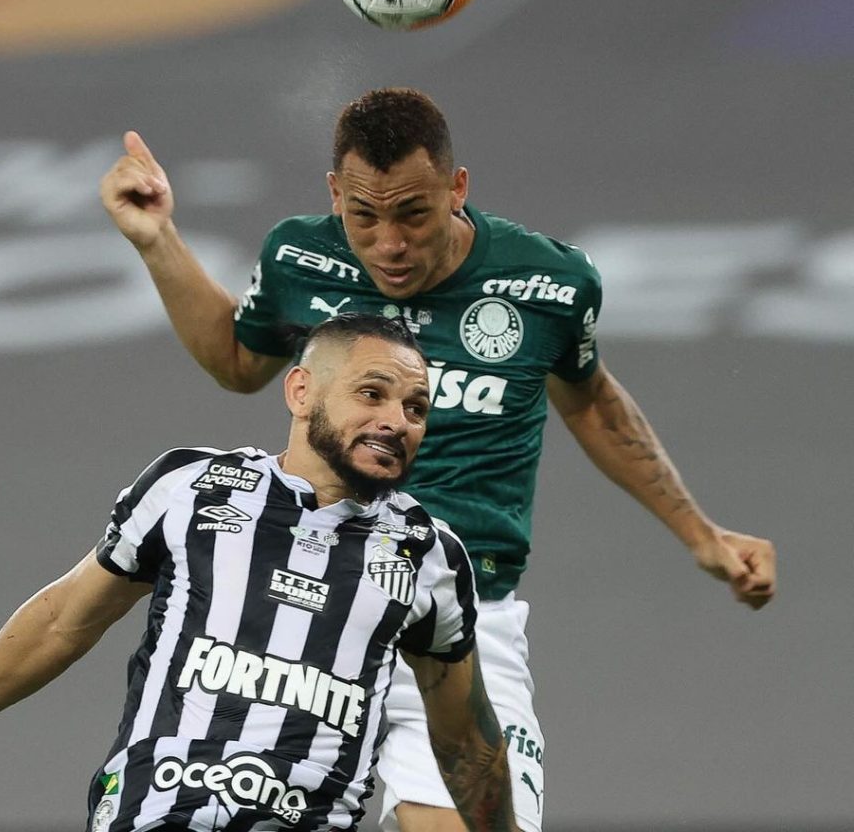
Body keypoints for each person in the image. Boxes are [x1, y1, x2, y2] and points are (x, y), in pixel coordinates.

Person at [99, 87, 777, 832]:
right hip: (310, 612)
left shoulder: (548, 285)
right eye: (364, 216)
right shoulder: (299, 257)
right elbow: (236, 360)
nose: (389, 243)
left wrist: (700, 534)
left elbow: (593, 405)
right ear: (335, 196)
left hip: (464, 622)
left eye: (413, 214)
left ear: (458, 189)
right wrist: (157, 239)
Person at [0, 314, 520, 832]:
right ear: (302, 391)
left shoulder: (428, 554)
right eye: (372, 394)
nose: (396, 421)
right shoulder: (193, 487)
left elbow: (465, 738)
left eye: (415, 408)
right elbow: (65, 619)